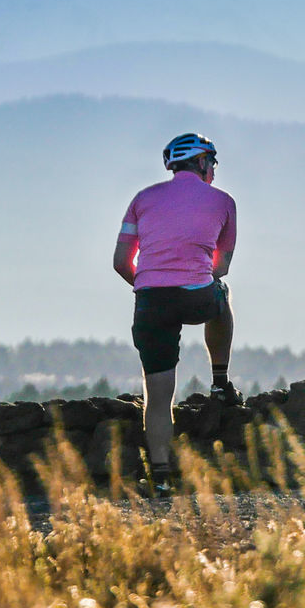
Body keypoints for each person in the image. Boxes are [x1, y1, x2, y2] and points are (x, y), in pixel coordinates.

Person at [114, 133, 240, 472]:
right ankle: (220, 380)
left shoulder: (142, 199)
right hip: (197, 295)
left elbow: (121, 261)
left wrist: (148, 285)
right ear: (201, 162)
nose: (213, 170)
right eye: (211, 163)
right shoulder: (224, 201)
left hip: (151, 300)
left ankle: (161, 473)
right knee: (222, 294)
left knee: (157, 396)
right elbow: (221, 267)